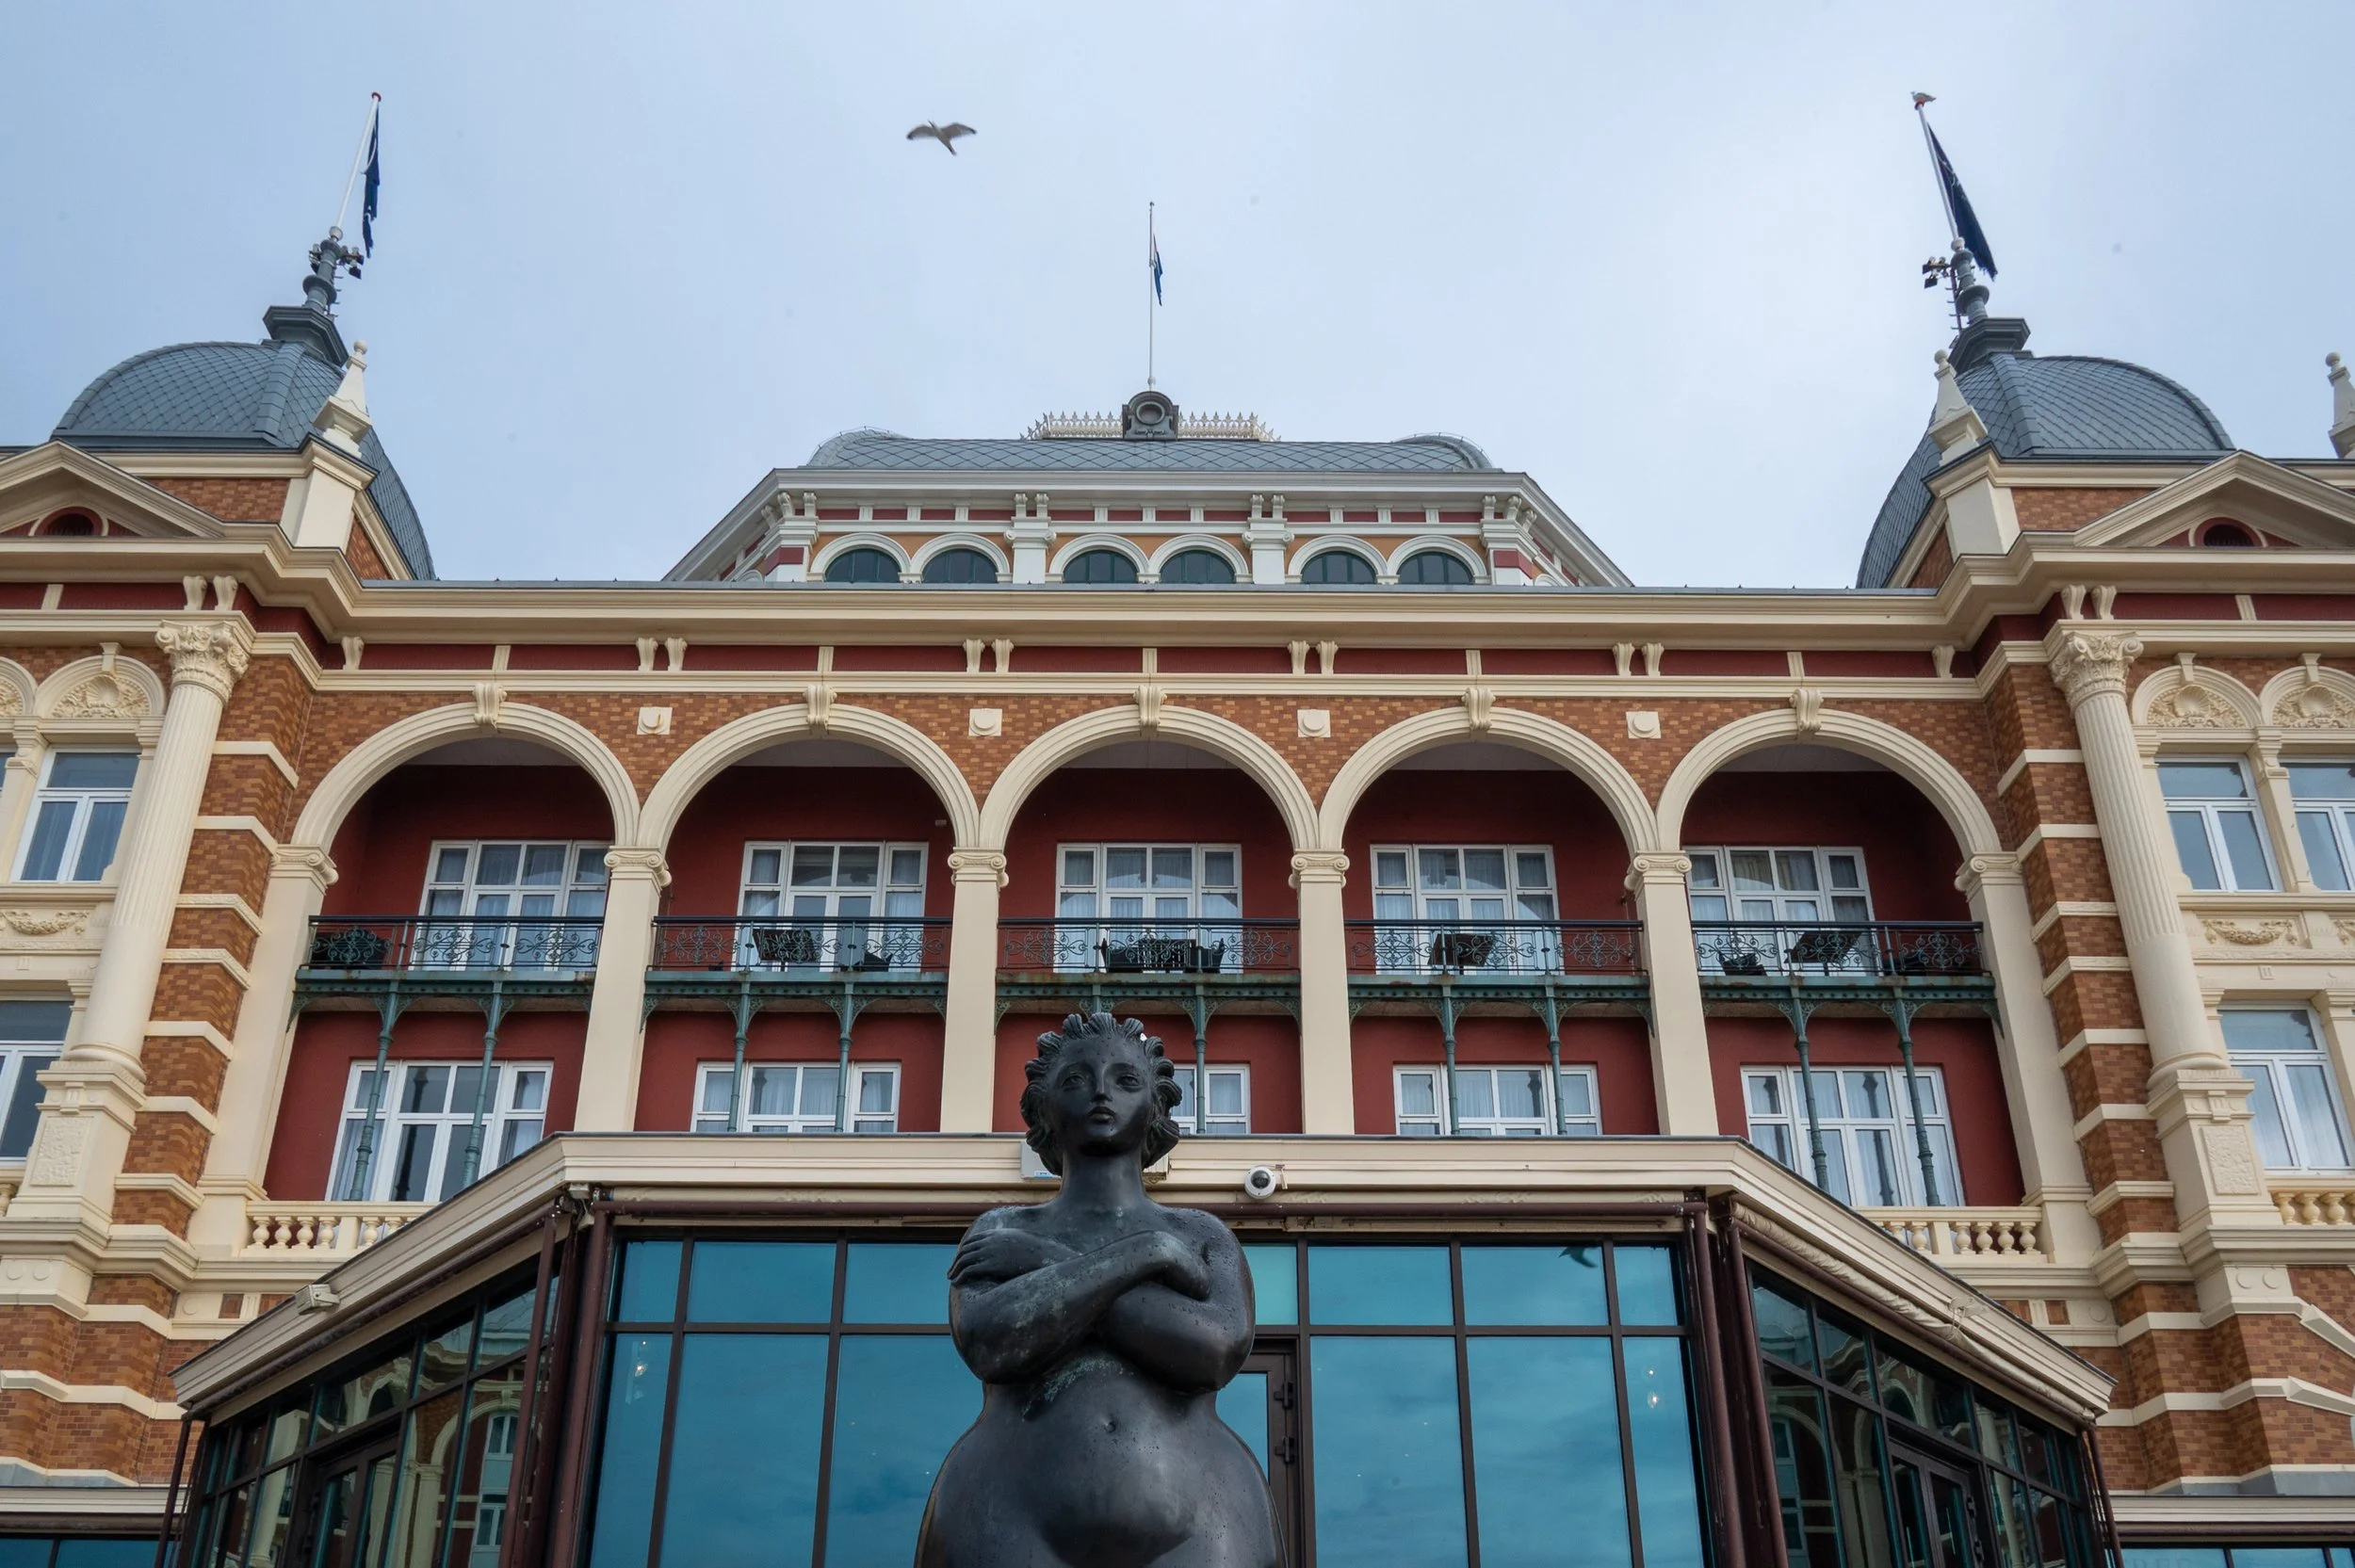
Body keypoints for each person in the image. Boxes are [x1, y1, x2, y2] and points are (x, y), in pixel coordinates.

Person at [916, 1012, 1281, 1568]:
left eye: (1125, 1080)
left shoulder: (1200, 1234)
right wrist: (1146, 1255)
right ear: (1044, 1109)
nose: (1101, 1092)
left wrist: (1048, 1266)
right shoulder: (1000, 1229)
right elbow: (992, 1341)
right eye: (1076, 1079)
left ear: (1157, 1107)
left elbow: (1212, 1351)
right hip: (1007, 1505)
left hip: (1202, 1513)